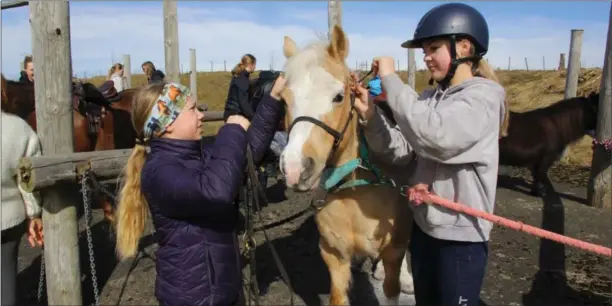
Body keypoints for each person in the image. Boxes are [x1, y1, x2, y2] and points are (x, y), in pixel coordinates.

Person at [350, 3, 509, 306]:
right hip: (424, 230)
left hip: (461, 240)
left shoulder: (483, 100)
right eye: (424, 50)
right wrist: (371, 116)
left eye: (433, 48)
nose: (426, 57)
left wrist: (390, 79)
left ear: (464, 47)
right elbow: (399, 152)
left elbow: (435, 137)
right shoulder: (430, 100)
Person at [114, 74, 286, 306]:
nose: (201, 115)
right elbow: (217, 191)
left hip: (221, 289)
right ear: (168, 123)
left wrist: (273, 97)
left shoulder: (197, 154)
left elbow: (247, 153)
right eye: (193, 109)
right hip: (193, 297)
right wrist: (232, 130)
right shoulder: (159, 171)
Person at [1, 76, 44, 305]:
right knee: (6, 281)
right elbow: (27, 181)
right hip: (7, 219)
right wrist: (34, 214)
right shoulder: (19, 129)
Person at [223, 54, 257, 122]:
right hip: (235, 114)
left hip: (233, 113)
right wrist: (253, 118)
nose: (255, 67)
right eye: (254, 64)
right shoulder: (242, 79)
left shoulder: (240, 76)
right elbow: (243, 102)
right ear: (251, 65)